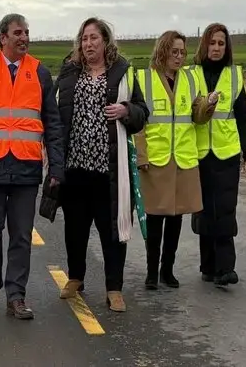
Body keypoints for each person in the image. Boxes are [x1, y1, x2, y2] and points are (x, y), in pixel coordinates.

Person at [0, 13, 65, 320]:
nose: (24, 38)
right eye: (18, 32)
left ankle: (16, 295)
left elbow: (52, 123)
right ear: (2, 37)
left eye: (27, 32)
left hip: (26, 166)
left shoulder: (40, 73)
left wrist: (55, 167)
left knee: (20, 235)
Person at [52, 17, 149, 312]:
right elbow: (54, 113)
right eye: (84, 39)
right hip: (75, 167)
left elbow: (143, 112)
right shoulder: (69, 73)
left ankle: (114, 288)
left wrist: (126, 109)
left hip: (109, 169)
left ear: (106, 41)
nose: (89, 43)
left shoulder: (123, 74)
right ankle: (76, 277)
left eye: (94, 38)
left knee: (111, 231)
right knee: (75, 228)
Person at [133, 30, 212, 290]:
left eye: (182, 53)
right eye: (174, 52)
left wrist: (208, 105)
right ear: (162, 51)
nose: (178, 57)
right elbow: (139, 124)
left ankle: (168, 270)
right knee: (155, 219)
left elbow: (197, 118)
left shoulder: (190, 79)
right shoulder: (143, 79)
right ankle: (151, 272)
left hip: (183, 159)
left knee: (176, 218)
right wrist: (141, 155)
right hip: (155, 159)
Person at [189, 23, 246, 287]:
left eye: (221, 43)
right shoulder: (191, 75)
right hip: (199, 151)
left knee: (226, 208)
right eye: (212, 43)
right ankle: (208, 266)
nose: (216, 48)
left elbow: (243, 115)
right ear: (204, 45)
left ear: (226, 47)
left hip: (227, 151)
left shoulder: (234, 76)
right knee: (205, 208)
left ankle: (226, 267)